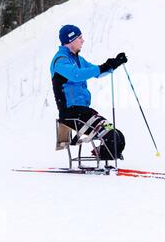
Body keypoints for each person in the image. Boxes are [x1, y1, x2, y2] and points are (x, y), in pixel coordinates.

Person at [50, 24, 127, 160]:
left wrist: (114, 64)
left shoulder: (78, 59)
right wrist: (101, 67)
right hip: (70, 112)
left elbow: (97, 72)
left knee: (118, 137)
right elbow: (76, 75)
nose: (82, 40)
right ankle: (102, 160)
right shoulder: (60, 61)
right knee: (112, 138)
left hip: (83, 111)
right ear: (70, 40)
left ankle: (102, 155)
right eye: (79, 38)